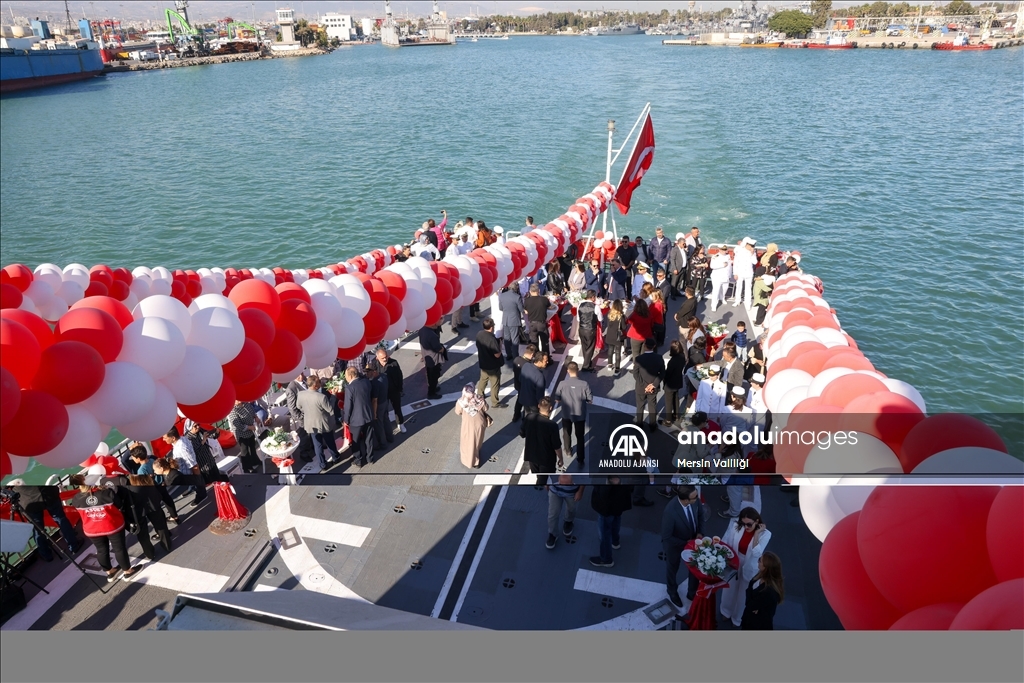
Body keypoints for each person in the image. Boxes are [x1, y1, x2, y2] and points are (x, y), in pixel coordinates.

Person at [68, 473, 140, 582]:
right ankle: (127, 572)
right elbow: (119, 505)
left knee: (101, 550)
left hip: (92, 529)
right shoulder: (106, 493)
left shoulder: (76, 499)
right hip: (112, 526)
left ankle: (110, 573)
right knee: (119, 548)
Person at [721, 507, 772, 628]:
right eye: (743, 524)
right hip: (734, 560)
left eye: (749, 524)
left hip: (750, 565)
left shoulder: (766, 534)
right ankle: (725, 611)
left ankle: (737, 618)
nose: (746, 527)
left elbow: (756, 553)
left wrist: (756, 534)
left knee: (744, 594)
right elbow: (728, 543)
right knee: (729, 588)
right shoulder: (736, 526)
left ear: (757, 521)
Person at [10, 484, 82, 561]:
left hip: (29, 500)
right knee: (60, 519)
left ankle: (46, 555)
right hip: (48, 493)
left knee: (38, 529)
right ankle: (74, 546)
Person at [661, 484, 703, 609]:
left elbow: (700, 516)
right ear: (685, 500)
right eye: (694, 498)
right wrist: (687, 543)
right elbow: (667, 537)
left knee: (695, 566)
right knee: (672, 567)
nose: (697, 499)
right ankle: (672, 591)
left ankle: (692, 592)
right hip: (675, 546)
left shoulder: (694, 500)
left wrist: (700, 533)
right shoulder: (670, 512)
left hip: (694, 541)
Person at [296, 376, 341, 470]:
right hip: (323, 423)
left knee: (317, 445)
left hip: (311, 424)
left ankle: (322, 464)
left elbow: (299, 407)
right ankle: (335, 457)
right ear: (316, 386)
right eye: (319, 382)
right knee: (330, 442)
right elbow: (330, 409)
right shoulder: (321, 397)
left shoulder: (300, 394)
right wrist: (333, 396)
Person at [553, 362, 592, 466]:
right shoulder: (584, 384)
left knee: (566, 433)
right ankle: (580, 458)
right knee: (580, 436)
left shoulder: (562, 384)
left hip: (566, 413)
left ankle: (568, 451)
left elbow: (557, 399)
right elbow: (590, 400)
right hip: (580, 414)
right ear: (577, 370)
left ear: (568, 371)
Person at [588, 476, 633, 567]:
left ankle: (606, 559)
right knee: (616, 519)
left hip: (607, 506)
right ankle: (615, 541)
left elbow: (603, 493)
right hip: (620, 500)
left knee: (605, 531)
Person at [520, 397, 562, 487]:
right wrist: (561, 459)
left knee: (538, 476)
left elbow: (522, 433)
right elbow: (556, 446)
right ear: (550, 408)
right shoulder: (552, 425)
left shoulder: (529, 417)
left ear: (538, 406)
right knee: (542, 480)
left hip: (531, 455)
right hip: (546, 458)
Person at [162, 426, 206, 506]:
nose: (163, 439)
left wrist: (197, 479)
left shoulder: (182, 448)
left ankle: (201, 494)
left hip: (189, 473)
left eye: (165, 438)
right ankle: (192, 488)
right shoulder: (181, 440)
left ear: (173, 438)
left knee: (197, 483)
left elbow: (194, 465)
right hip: (184, 470)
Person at [741, 551, 784, 630]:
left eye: (760, 560)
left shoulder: (769, 592)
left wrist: (749, 595)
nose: (758, 561)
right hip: (750, 619)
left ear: (766, 568)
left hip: (756, 625)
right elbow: (750, 588)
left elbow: (749, 605)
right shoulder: (761, 575)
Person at [342, 367, 375, 467]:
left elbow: (348, 406)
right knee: (369, 439)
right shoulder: (366, 382)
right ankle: (370, 458)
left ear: (350, 375)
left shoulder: (349, 388)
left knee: (355, 441)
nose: (346, 378)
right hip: (368, 415)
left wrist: (345, 420)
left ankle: (359, 460)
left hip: (356, 420)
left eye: (346, 376)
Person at [454, 384, 492, 469]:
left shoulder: (461, 401)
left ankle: (471, 461)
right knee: (477, 441)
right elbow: (486, 408)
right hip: (480, 424)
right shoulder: (480, 399)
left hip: (467, 425)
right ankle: (476, 458)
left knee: (467, 442)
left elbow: (457, 412)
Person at [545, 474, 584, 549]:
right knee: (553, 514)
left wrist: (580, 491)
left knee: (571, 508)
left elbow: (585, 478)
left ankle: (569, 521)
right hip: (555, 490)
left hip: (571, 492)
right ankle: (553, 534)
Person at [633, 338, 665, 429]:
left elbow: (635, 373)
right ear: (654, 346)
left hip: (640, 387)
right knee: (652, 406)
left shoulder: (639, 359)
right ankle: (652, 425)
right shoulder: (659, 358)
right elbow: (662, 373)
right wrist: (653, 385)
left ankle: (639, 423)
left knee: (640, 406)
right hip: (653, 387)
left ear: (644, 345)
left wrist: (643, 385)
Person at [475, 317, 504, 408]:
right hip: (493, 365)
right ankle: (495, 402)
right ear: (491, 327)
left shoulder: (479, 334)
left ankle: (479, 395)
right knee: (495, 383)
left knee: (483, 380)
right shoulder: (492, 339)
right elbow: (497, 355)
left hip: (483, 363)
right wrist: (500, 344)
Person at [227, 399, 263, 474]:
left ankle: (255, 461)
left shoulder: (246, 403)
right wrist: (249, 427)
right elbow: (237, 424)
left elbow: (252, 411)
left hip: (251, 430)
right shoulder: (233, 410)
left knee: (252, 446)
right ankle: (247, 468)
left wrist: (256, 417)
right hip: (241, 433)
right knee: (245, 450)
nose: (239, 400)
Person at [376, 348, 406, 434]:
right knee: (384, 410)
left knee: (397, 407)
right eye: (383, 358)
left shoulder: (394, 363)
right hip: (382, 393)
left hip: (394, 391)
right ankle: (387, 426)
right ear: (377, 358)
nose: (385, 359)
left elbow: (399, 376)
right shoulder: (374, 365)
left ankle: (400, 423)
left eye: (386, 357)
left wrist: (400, 389)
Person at [184, 420, 225, 484]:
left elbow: (211, 435)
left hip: (211, 462)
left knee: (219, 482)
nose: (198, 427)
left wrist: (216, 432)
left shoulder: (200, 431)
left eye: (198, 424)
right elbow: (195, 452)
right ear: (189, 427)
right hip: (204, 467)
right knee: (210, 486)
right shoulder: (188, 439)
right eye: (195, 426)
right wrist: (203, 441)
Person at [365, 364, 394, 449]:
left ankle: (383, 443)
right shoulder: (383, 376)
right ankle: (390, 437)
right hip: (385, 401)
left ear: (374, 372)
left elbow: (374, 400)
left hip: (378, 405)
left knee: (379, 424)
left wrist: (374, 413)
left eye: (368, 372)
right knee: (386, 419)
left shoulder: (375, 383)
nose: (366, 374)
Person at [523, 283, 554, 356]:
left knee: (534, 343)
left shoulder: (527, 300)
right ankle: (545, 357)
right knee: (544, 342)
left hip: (532, 324)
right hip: (541, 324)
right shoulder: (544, 299)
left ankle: (535, 357)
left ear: (530, 291)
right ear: (539, 291)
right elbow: (550, 307)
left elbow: (526, 311)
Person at [662, 340, 688, 427]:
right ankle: (676, 415)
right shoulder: (682, 356)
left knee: (668, 401)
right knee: (676, 398)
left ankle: (668, 420)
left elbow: (668, 374)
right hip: (678, 381)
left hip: (670, 383)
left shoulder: (672, 361)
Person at [419, 320, 446, 399]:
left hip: (426, 356)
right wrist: (443, 349)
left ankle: (432, 389)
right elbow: (438, 349)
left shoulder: (422, 329)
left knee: (429, 375)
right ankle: (432, 393)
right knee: (434, 376)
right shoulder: (432, 335)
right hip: (434, 359)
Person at [497, 285, 525, 362]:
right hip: (514, 320)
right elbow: (521, 309)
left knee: (506, 338)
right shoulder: (517, 297)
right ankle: (515, 356)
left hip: (505, 319)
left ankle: (509, 354)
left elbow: (500, 308)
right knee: (515, 338)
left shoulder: (502, 296)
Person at [511, 344, 537, 422]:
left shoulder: (516, 359)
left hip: (518, 385)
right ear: (532, 354)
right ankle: (524, 419)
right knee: (526, 405)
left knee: (519, 400)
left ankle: (516, 415)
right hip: (525, 387)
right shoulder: (528, 365)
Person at [519, 351, 549, 417]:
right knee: (535, 418)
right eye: (545, 361)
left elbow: (520, 380)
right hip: (533, 403)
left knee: (526, 415)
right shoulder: (539, 376)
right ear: (540, 361)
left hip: (523, 398)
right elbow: (539, 394)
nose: (547, 362)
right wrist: (540, 405)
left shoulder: (525, 365)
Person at [576, 290, 599, 372]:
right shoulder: (595, 306)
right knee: (590, 347)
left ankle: (587, 361)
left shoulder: (580, 305)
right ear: (592, 297)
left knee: (584, 346)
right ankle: (586, 366)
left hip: (582, 328)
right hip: (590, 329)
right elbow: (600, 318)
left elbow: (578, 318)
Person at [732, 237, 757, 308]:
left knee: (748, 288)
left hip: (748, 272)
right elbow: (735, 262)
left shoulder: (752, 252)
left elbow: (754, 262)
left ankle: (748, 303)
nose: (752, 247)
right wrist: (735, 273)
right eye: (751, 245)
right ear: (747, 244)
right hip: (740, 272)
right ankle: (737, 301)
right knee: (739, 287)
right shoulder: (739, 251)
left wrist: (752, 254)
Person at [603, 299, 627, 375]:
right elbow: (623, 327)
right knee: (617, 353)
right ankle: (617, 369)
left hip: (610, 335)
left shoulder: (610, 313)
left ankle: (609, 364)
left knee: (610, 350)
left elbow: (608, 324)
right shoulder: (621, 316)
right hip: (617, 336)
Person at [668, 234, 688, 299]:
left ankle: (677, 292)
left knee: (679, 281)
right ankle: (672, 294)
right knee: (674, 282)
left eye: (684, 243)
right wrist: (674, 268)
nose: (684, 245)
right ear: (679, 243)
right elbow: (672, 259)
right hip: (677, 268)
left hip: (683, 268)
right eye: (683, 243)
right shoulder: (675, 249)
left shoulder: (683, 249)